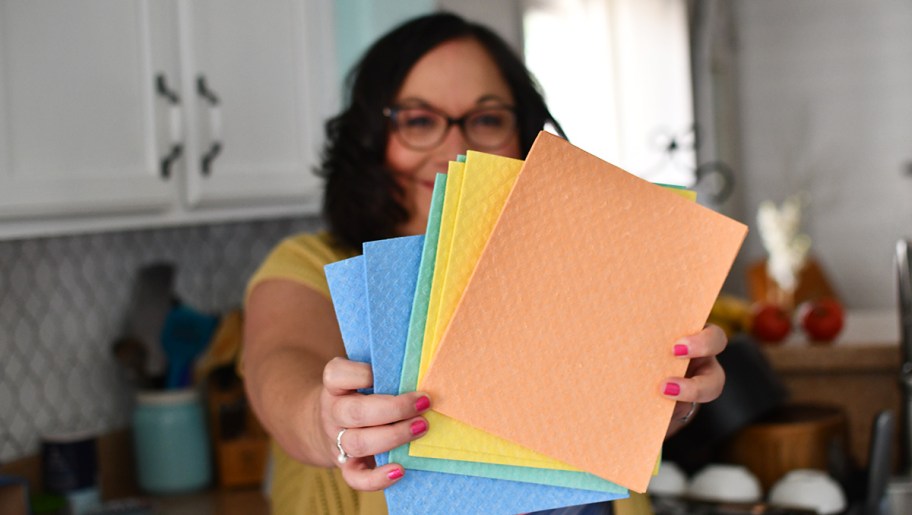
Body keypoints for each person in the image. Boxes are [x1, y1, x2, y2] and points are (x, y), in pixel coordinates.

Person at [243, 12, 727, 515]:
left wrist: (667, 397)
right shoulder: (307, 264)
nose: (457, 149)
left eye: (488, 119)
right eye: (419, 121)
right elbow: (279, 369)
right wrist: (324, 421)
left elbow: (627, 422)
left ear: (525, 134)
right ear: (370, 140)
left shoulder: (577, 269)